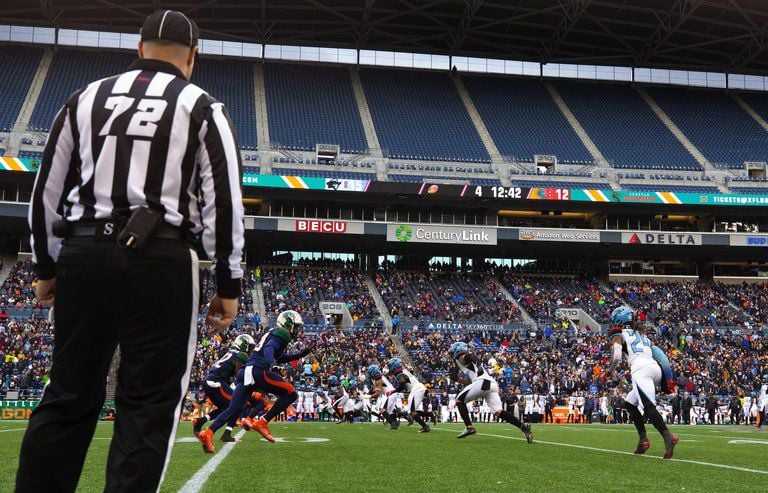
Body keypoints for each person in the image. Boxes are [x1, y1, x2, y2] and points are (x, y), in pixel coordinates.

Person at [17, 10, 244, 492]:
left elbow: (45, 192)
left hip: (82, 253)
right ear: (193, 57)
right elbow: (225, 204)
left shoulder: (84, 99)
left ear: (139, 49)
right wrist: (229, 285)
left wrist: (45, 265)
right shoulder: (202, 106)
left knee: (67, 396)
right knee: (147, 405)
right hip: (160, 260)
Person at [198, 310, 312, 451]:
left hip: (245, 372)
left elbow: (279, 357)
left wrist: (300, 354)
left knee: (233, 409)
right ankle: (263, 422)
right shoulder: (283, 333)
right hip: (258, 371)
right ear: (288, 324)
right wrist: (270, 362)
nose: (296, 330)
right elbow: (270, 349)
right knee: (291, 394)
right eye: (295, 326)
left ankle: (207, 433)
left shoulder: (273, 332)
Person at [603, 306, 678, 459]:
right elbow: (663, 358)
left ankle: (667, 436)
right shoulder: (643, 335)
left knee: (649, 407)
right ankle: (642, 439)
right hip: (656, 369)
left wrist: (609, 371)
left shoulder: (618, 334)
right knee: (629, 404)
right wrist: (668, 379)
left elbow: (617, 356)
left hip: (640, 370)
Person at [449, 342, 533, 442]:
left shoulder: (462, 357)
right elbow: (465, 378)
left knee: (459, 400)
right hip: (489, 383)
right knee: (498, 412)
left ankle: (469, 427)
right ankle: (523, 426)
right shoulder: (459, 362)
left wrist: (479, 365)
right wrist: (458, 379)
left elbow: (472, 357)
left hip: (482, 381)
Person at [193, 334, 255, 442]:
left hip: (209, 382)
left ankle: (200, 421)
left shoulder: (231, 352)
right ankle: (226, 434)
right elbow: (239, 375)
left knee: (224, 408)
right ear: (243, 345)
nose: (250, 350)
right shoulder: (240, 355)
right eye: (249, 347)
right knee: (237, 405)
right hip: (216, 382)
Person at [387, 357, 431, 433]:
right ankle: (428, 420)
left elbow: (402, 384)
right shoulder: (403, 371)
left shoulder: (399, 373)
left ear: (394, 365)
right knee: (412, 411)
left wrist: (393, 392)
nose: (390, 367)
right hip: (419, 388)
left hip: (416, 389)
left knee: (412, 411)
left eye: (390, 366)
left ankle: (425, 427)